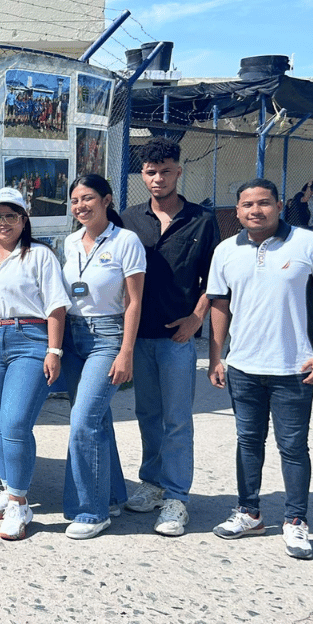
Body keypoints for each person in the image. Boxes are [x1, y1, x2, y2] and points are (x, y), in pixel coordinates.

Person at [207, 178, 313, 560]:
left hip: (295, 367)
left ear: (279, 205)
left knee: (293, 447)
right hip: (243, 366)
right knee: (248, 442)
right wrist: (216, 357)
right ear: (238, 209)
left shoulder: (310, 244)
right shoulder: (226, 250)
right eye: (246, 205)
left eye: (263, 203)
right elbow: (219, 306)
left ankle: (296, 522)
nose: (254, 211)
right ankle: (249, 512)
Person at [120, 137, 221, 536]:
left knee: (178, 419)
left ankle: (177, 498)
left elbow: (216, 278)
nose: (158, 178)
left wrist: (197, 319)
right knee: (147, 414)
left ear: (179, 171)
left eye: (165, 171)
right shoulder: (128, 219)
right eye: (150, 172)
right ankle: (152, 483)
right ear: (142, 175)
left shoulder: (203, 219)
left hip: (179, 337)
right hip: (139, 336)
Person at [0, 187, 69, 540]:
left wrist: (53, 351)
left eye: (11, 216)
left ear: (24, 220)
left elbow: (56, 306)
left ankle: (19, 502)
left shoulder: (40, 256)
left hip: (31, 338)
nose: (3, 222)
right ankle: (8, 487)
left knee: (15, 420)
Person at [60, 174, 145, 539]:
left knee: (83, 420)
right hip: (73, 335)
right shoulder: (70, 242)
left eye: (88, 198)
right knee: (97, 420)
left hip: (107, 336)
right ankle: (110, 496)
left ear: (107, 200)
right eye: (75, 200)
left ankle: (91, 511)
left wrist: (126, 351)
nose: (81, 206)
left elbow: (134, 302)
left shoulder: (126, 241)